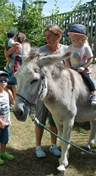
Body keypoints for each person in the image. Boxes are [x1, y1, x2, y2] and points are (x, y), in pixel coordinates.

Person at [34, 24, 66, 158]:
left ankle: (53, 145)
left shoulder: (65, 49)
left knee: (55, 120)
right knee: (40, 118)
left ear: (58, 36)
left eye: (50, 36)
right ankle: (38, 146)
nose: (47, 38)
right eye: (46, 36)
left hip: (59, 92)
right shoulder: (41, 51)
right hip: (43, 92)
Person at [65, 24, 96, 105]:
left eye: (74, 36)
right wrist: (68, 66)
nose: (72, 38)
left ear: (82, 38)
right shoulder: (69, 48)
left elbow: (90, 58)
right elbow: (66, 57)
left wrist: (84, 67)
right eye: (71, 36)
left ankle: (94, 94)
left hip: (82, 68)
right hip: (72, 68)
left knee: (86, 77)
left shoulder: (86, 47)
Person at [4, 32, 25, 99]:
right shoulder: (21, 46)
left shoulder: (16, 45)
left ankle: (14, 101)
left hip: (13, 65)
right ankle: (13, 100)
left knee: (12, 84)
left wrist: (5, 50)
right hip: (16, 64)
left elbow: (7, 54)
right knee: (13, 84)